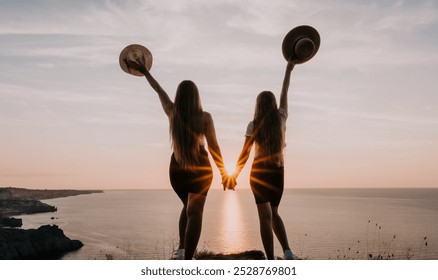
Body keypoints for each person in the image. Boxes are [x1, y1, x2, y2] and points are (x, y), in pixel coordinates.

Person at [124, 49, 228, 260]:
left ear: (179, 96)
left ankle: (181, 250)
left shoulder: (172, 112)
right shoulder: (205, 117)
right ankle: (188, 261)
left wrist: (144, 70)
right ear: (197, 97)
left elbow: (157, 89)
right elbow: (215, 148)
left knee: (186, 207)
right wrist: (224, 172)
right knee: (195, 213)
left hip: (177, 169)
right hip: (201, 168)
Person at [229, 61, 295, 260]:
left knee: (264, 218)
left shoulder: (254, 124)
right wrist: (288, 69)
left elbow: (245, 154)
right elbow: (285, 91)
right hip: (278, 171)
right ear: (273, 104)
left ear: (257, 106)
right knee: (274, 213)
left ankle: (270, 260)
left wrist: (234, 175)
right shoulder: (281, 119)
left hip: (259, 172)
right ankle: (288, 252)